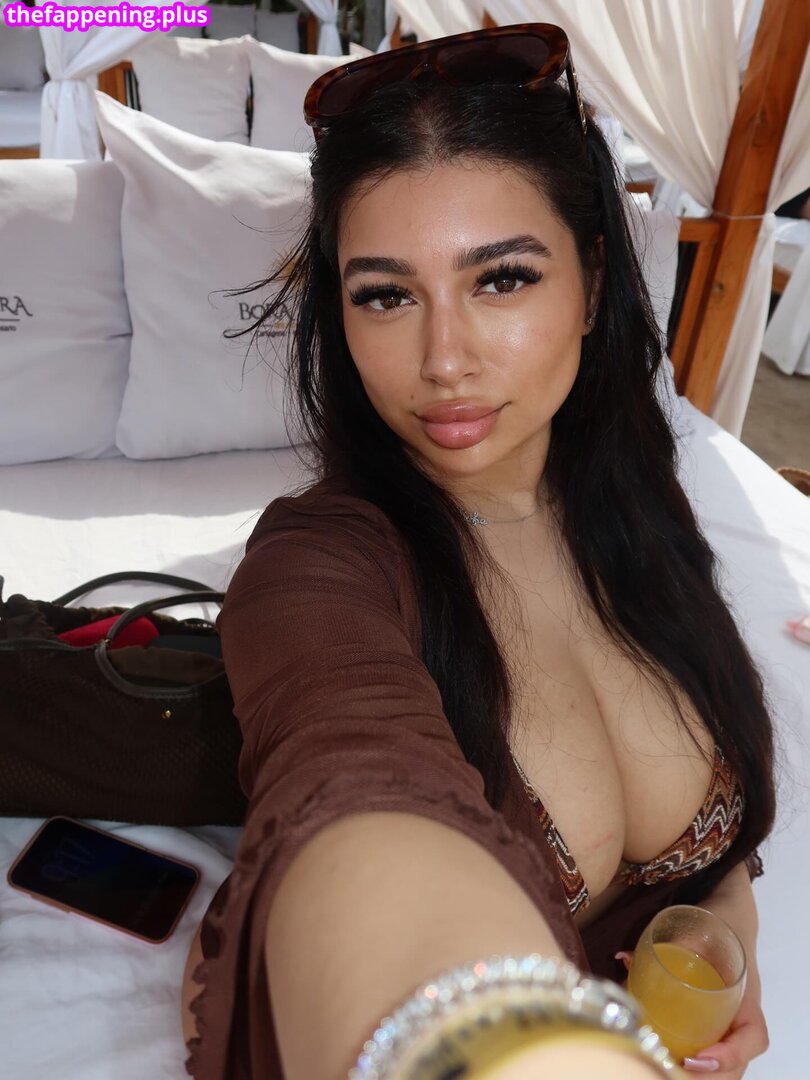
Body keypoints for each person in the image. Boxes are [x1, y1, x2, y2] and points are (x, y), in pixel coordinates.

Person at [181, 25, 775, 1080]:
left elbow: (718, 842)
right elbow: (351, 781)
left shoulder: (641, 505)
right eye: (386, 294)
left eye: (501, 279)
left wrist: (726, 927)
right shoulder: (317, 569)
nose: (443, 360)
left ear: (593, 282)